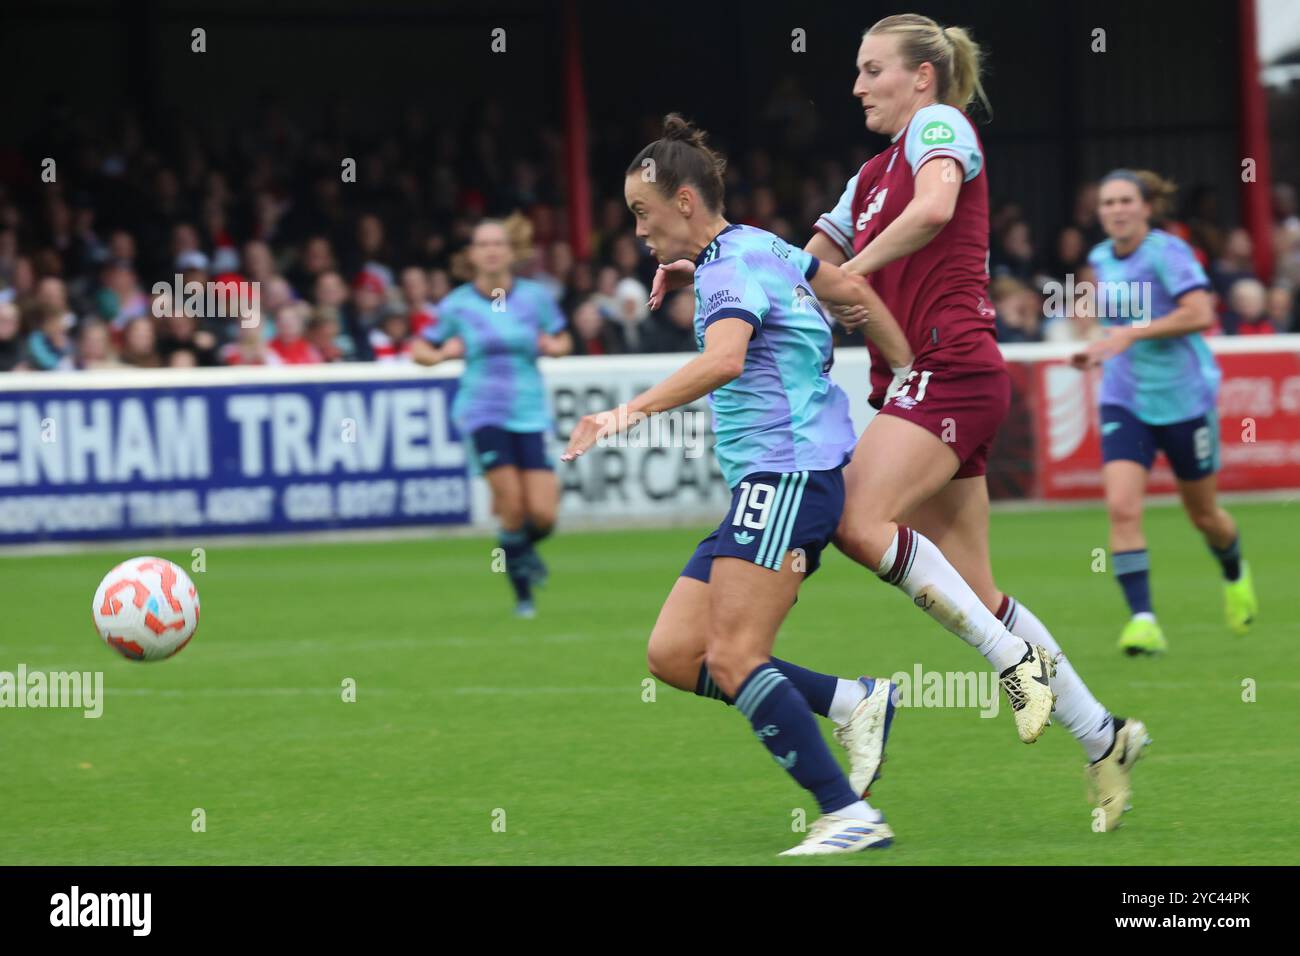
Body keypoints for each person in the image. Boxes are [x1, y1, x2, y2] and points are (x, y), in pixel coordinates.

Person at [650, 13, 1142, 831]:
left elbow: (936, 209)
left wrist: (852, 276)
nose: (856, 85)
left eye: (872, 69)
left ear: (922, 75)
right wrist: (712, 256)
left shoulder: (938, 124)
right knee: (977, 591)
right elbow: (798, 258)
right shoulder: (871, 174)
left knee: (853, 516)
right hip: (934, 382)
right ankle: (1104, 737)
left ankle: (995, 662)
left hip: (945, 369)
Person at [565, 115, 914, 856]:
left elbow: (725, 359)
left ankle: (846, 813)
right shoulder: (759, 246)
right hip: (775, 480)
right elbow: (844, 283)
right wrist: (904, 369)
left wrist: (626, 411)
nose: (639, 232)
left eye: (643, 213)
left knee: (732, 655)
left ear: (684, 202)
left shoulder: (728, 266)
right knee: (674, 652)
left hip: (786, 477)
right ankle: (852, 701)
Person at [1072, 169, 1258, 654]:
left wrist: (1133, 333)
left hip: (1182, 401)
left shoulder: (1167, 251)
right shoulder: (1098, 258)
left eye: (1124, 201)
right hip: (1124, 398)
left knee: (1204, 515)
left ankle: (1235, 573)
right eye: (1107, 202)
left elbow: (1200, 314)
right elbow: (1102, 324)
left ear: (1145, 207)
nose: (1114, 209)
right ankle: (1143, 620)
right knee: (1121, 507)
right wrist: (1093, 347)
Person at [412, 220, 572, 618]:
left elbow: (564, 338)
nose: (491, 251)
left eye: (498, 243)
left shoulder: (535, 298)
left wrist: (555, 346)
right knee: (512, 507)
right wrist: (440, 355)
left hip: (529, 411)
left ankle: (523, 551)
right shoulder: (457, 305)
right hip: (482, 411)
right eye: (482, 244)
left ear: (510, 250)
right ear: (472, 254)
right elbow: (420, 348)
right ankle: (523, 597)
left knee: (544, 514)